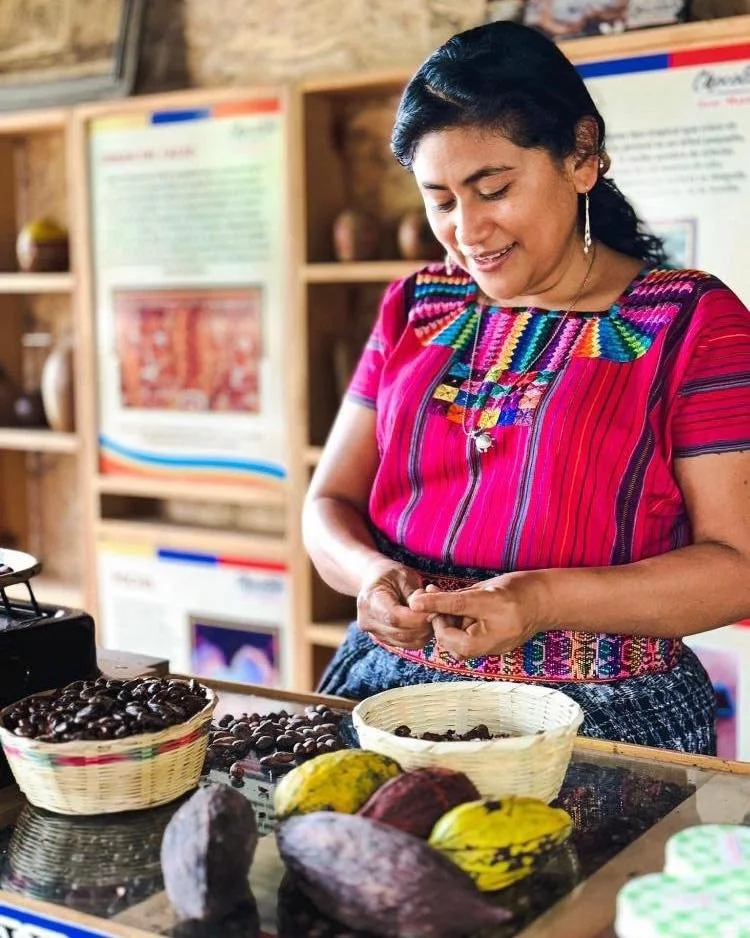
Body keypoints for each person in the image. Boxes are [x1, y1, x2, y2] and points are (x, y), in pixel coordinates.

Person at [302, 20, 750, 755]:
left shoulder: (691, 321)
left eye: (493, 190)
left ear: (580, 157)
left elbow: (738, 566)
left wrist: (540, 600)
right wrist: (373, 576)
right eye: (441, 200)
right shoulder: (419, 308)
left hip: (604, 723)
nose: (467, 230)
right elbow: (327, 505)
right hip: (385, 697)